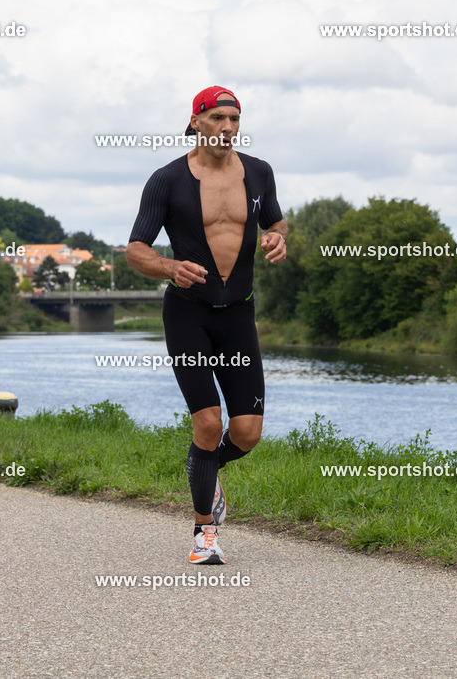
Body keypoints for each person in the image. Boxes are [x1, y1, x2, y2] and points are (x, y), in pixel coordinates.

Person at [126, 86, 287, 564]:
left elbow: (275, 225)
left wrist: (278, 241)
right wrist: (169, 267)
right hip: (188, 314)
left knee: (247, 432)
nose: (228, 128)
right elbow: (135, 248)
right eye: (217, 118)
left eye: (234, 119)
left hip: (239, 314)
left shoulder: (259, 173)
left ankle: (206, 467)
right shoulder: (167, 180)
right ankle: (204, 534)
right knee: (208, 421)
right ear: (195, 122)